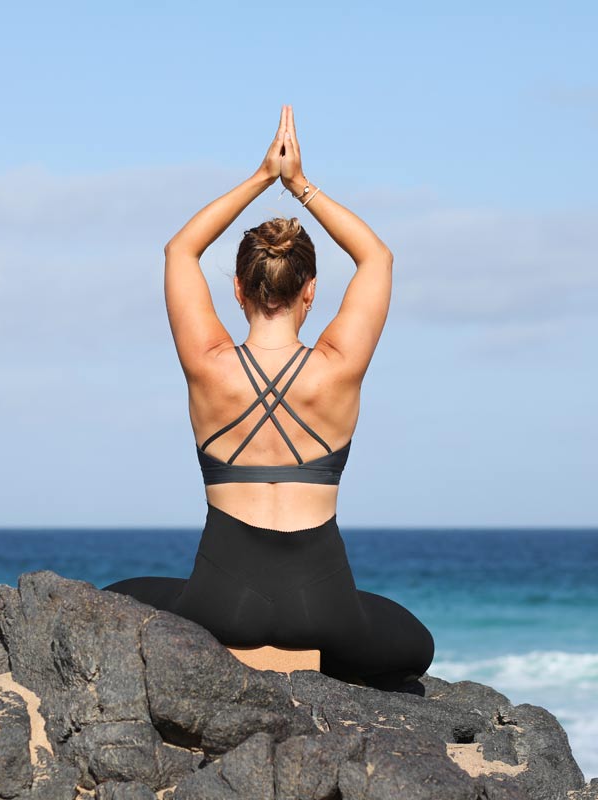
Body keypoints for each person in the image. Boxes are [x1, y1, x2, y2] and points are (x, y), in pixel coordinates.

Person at [103, 105, 434, 691]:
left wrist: (260, 177)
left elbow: (181, 250)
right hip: (324, 605)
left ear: (237, 290)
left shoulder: (209, 366)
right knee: (413, 639)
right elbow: (377, 258)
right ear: (310, 292)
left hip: (220, 599)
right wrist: (298, 185)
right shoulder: (337, 368)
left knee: (116, 596)